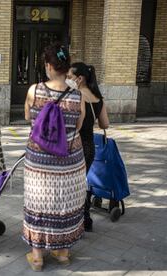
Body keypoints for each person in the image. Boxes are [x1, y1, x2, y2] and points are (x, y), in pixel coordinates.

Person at [23, 43, 86, 271]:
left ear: (49, 66)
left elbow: (28, 116)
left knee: (39, 203)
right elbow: (78, 126)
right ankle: (62, 253)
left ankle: (37, 257)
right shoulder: (78, 96)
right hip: (70, 162)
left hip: (39, 162)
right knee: (63, 204)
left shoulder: (34, 90)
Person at [67, 62, 110, 232]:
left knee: (73, 185)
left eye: (70, 77)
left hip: (76, 146)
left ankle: (80, 219)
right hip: (90, 146)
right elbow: (105, 124)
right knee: (81, 182)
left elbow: (74, 124)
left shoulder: (77, 95)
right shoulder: (97, 97)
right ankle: (85, 218)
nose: (67, 79)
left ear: (80, 78)